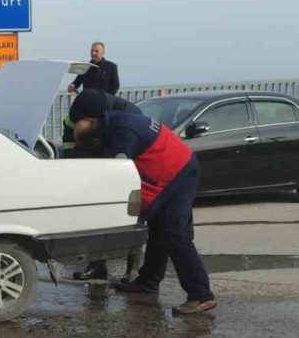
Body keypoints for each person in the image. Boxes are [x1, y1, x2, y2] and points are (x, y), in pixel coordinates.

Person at [74, 111, 217, 315]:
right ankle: (148, 282)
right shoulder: (112, 121)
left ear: (95, 137)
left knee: (176, 235)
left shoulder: (123, 135)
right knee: (159, 230)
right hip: (174, 167)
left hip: (179, 173)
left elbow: (118, 172)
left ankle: (201, 295)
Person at [66, 90, 143, 282]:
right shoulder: (76, 116)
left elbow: (126, 155)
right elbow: (70, 143)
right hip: (99, 167)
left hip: (127, 168)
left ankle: (132, 271)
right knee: (96, 219)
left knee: (131, 219)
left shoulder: (129, 118)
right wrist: (69, 165)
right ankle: (97, 267)